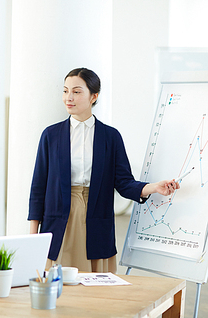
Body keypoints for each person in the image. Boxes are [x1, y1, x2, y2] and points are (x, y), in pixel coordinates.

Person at [28, 68, 180, 273]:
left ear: (94, 96)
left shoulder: (110, 137)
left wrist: (154, 187)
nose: (68, 98)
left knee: (95, 288)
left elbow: (124, 183)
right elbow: (38, 187)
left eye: (76, 91)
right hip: (58, 222)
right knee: (58, 288)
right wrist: (33, 236)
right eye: (65, 91)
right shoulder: (51, 135)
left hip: (96, 216)